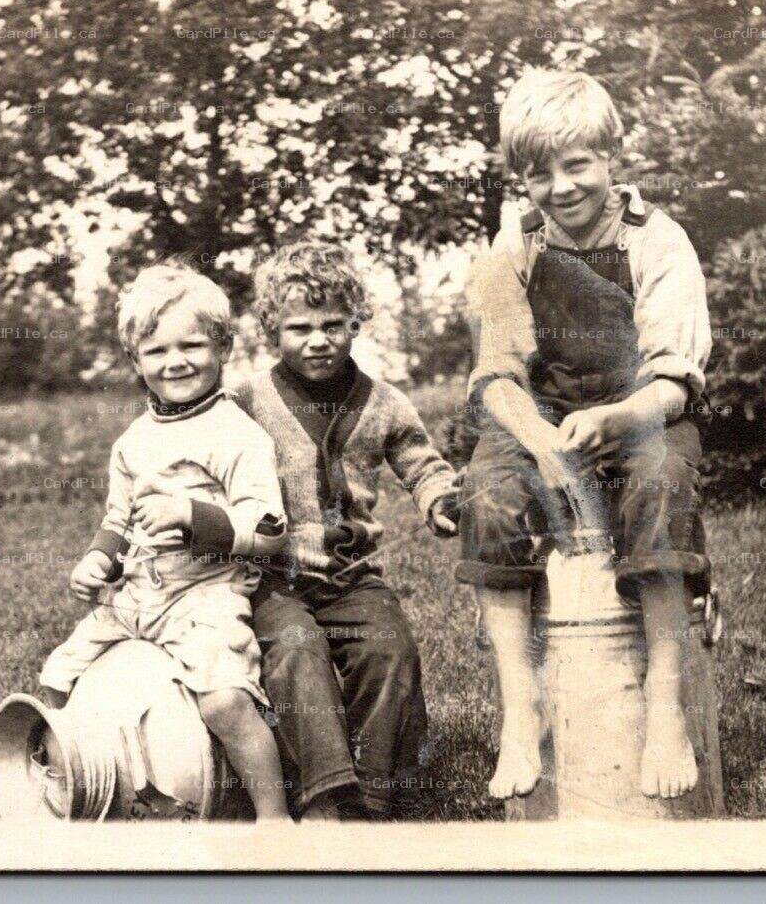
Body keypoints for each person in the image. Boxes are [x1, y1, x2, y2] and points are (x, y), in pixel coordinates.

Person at [460, 68, 713, 800]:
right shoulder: (514, 246)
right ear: (522, 178)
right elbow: (496, 372)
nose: (562, 187)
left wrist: (619, 420)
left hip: (640, 412)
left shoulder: (659, 242)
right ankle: (521, 708)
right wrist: (538, 439)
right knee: (489, 495)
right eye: (540, 174)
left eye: (578, 165)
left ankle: (664, 705)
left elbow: (674, 377)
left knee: (661, 488)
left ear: (612, 156)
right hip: (543, 414)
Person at [36, 264, 292, 822]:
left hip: (204, 594)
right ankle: (63, 782)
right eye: (156, 351)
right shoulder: (133, 441)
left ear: (223, 347)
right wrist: (98, 559)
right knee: (57, 676)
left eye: (192, 345)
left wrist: (192, 515)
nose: (175, 361)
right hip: (134, 595)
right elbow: (118, 519)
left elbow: (270, 530)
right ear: (135, 361)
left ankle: (275, 818)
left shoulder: (237, 434)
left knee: (224, 699)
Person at [238, 241, 460, 820]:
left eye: (333, 324)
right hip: (275, 575)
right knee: (295, 652)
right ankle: (326, 795)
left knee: (392, 653)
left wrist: (440, 499)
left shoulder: (383, 402)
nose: (318, 340)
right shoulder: (249, 401)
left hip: (353, 576)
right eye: (300, 328)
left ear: (355, 324)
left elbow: (421, 462)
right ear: (271, 330)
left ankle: (377, 791)